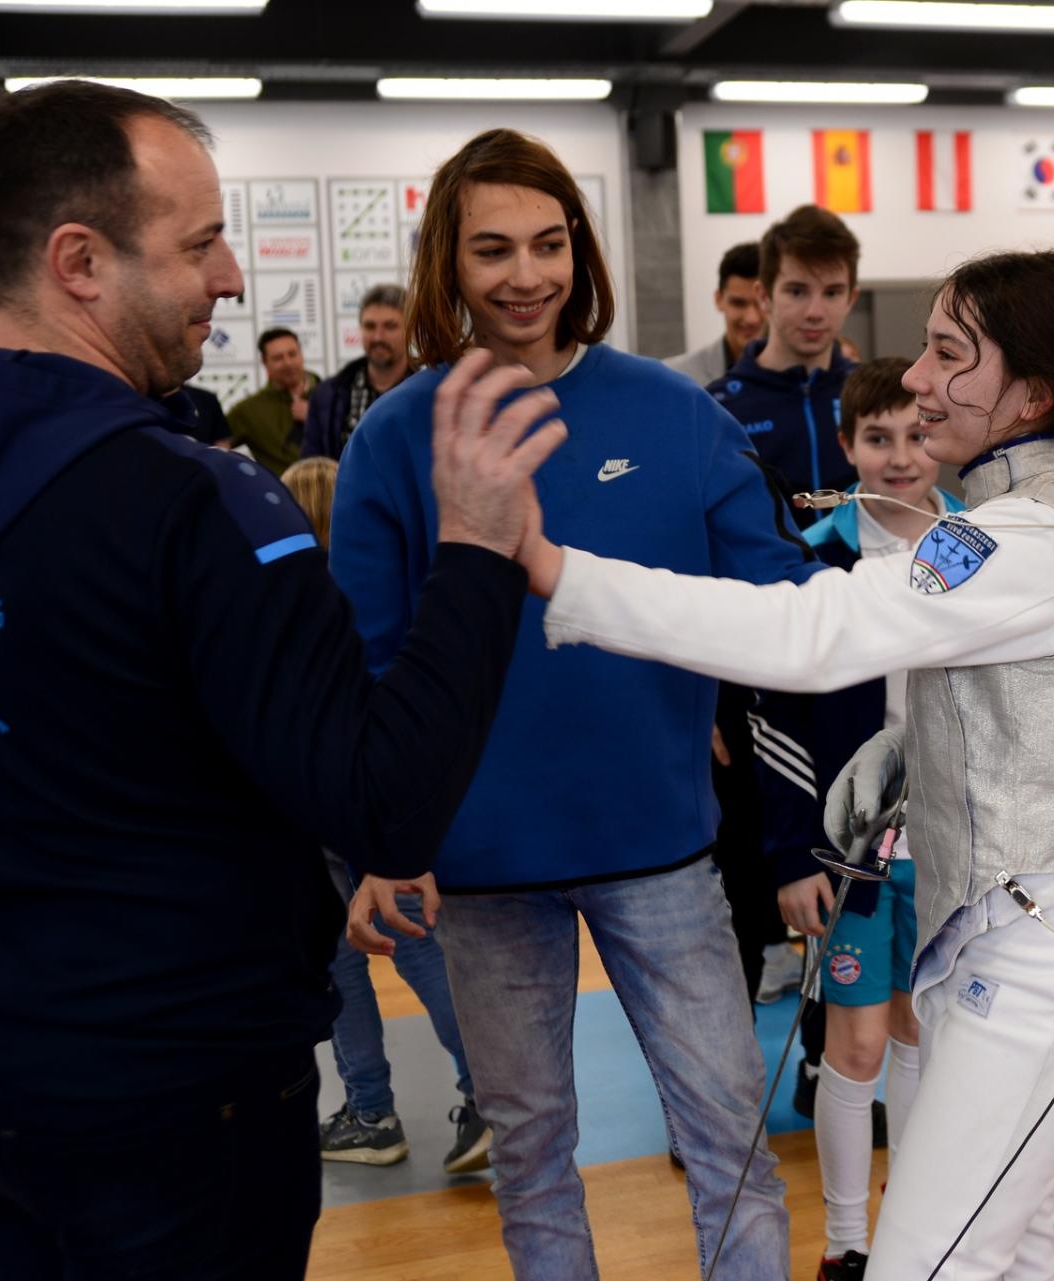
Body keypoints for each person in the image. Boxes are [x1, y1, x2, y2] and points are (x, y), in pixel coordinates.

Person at [0, 80, 561, 1278]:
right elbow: (384, 802)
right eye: (199, 243)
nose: (230, 278)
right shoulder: (198, 505)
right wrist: (472, 547)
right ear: (79, 262)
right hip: (177, 1105)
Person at [517, 248, 1054, 1281]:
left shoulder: (1026, 536)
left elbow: (811, 631)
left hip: (1046, 954)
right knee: (1007, 1254)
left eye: (950, 353)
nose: (915, 378)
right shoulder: (1035, 513)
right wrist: (915, 746)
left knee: (926, 1264)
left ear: (1035, 393)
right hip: (1029, 933)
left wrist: (558, 573)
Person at [329, 128, 811, 1281]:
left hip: (660, 847)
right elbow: (369, 667)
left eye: (549, 244)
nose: (526, 274)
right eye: (493, 248)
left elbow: (782, 600)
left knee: (730, 1142)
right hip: (481, 867)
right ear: (449, 262)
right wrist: (382, 842)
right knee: (532, 1155)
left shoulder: (672, 412)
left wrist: (914, 554)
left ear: (581, 252)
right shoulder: (394, 438)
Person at [750, 357, 964, 1280]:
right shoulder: (816, 559)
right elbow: (773, 717)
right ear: (846, 445)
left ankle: (905, 1232)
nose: (901, 455)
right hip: (850, 852)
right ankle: (846, 1241)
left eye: (917, 434)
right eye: (878, 437)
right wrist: (793, 853)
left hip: (949, 843)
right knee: (859, 1040)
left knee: (918, 1032)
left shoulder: (977, 546)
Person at [280, 454, 492, 1173]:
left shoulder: (288, 597)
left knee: (353, 955)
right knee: (401, 945)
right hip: (385, 788)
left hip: (322, 795)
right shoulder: (383, 585)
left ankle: (378, 1110)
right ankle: (454, 1097)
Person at [708, 205, 860, 500]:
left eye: (832, 293)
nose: (815, 312)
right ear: (764, 296)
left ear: (851, 299)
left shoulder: (871, 397)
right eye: (797, 291)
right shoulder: (718, 408)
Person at [302, 284, 417, 461]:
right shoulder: (327, 395)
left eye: (390, 326)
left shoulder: (429, 392)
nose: (378, 337)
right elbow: (312, 465)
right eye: (370, 326)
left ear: (410, 329)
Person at [665, 241, 764, 385]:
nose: (751, 318)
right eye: (738, 303)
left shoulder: (799, 376)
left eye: (760, 303)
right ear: (719, 300)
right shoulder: (676, 377)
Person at [224, 326, 319, 474]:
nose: (288, 362)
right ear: (264, 362)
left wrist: (315, 419)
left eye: (292, 354)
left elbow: (353, 443)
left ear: (302, 354)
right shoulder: (248, 411)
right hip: (281, 488)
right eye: (278, 358)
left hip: (334, 487)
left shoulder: (334, 395)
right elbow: (215, 448)